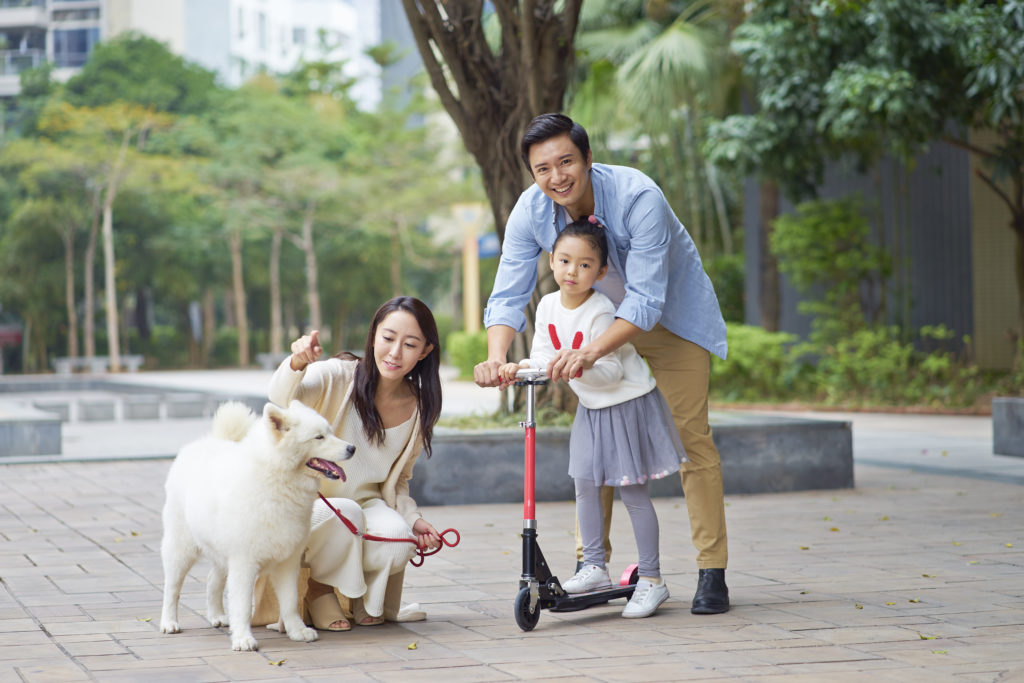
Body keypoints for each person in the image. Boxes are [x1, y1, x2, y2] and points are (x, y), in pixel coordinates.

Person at [474, 113, 731, 615]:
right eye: (542, 168)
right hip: (595, 327)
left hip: (671, 324)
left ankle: (711, 569)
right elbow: (508, 291)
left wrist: (591, 352)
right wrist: (495, 357)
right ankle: (590, 566)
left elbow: (647, 301)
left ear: (589, 159)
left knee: (691, 441)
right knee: (600, 445)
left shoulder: (638, 197)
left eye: (566, 161)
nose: (556, 177)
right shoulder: (530, 211)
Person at [498, 216, 686, 618]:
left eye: (585, 265)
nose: (572, 271)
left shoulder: (601, 309)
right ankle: (595, 567)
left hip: (626, 403)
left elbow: (611, 373)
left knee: (632, 492)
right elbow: (547, 355)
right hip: (591, 408)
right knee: (584, 484)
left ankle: (652, 579)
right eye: (565, 261)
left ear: (600, 272)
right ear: (551, 260)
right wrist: (523, 367)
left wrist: (578, 366)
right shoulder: (548, 305)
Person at [262, 295, 443, 631]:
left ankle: (363, 600)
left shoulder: (420, 406)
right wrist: (297, 363)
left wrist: (413, 520)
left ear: (426, 351)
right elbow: (281, 399)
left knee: (398, 538)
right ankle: (319, 593)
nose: (394, 352)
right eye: (388, 338)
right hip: (311, 500)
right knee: (347, 512)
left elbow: (399, 478)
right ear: (374, 335)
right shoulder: (336, 376)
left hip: (366, 504)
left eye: (410, 344)